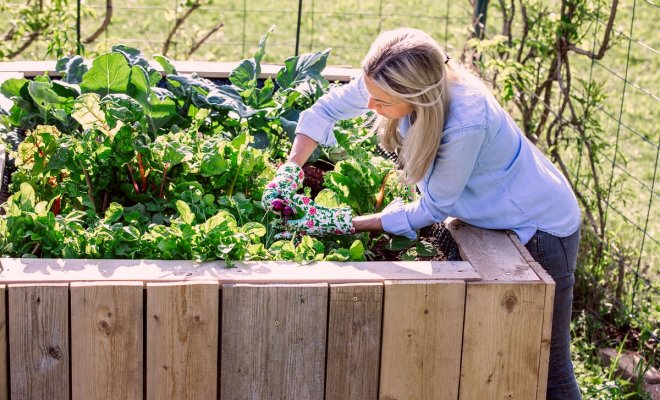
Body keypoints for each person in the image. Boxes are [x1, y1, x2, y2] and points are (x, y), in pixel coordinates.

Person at [262, 28, 582, 399]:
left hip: (539, 227)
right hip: (492, 215)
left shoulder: (465, 121)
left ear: (416, 96)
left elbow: (434, 207)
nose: (370, 106)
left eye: (381, 101)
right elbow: (327, 110)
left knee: (548, 370)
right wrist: (291, 168)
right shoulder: (393, 75)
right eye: (370, 93)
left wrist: (343, 223)